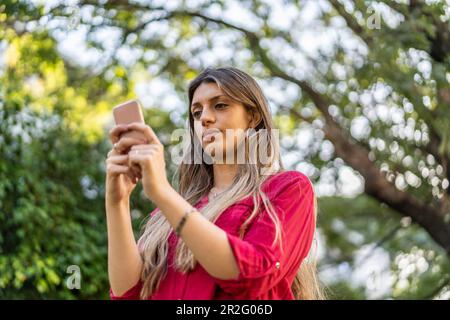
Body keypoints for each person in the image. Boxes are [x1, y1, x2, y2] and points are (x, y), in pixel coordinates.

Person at [105, 66, 324, 300]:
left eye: (220, 105)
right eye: (197, 113)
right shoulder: (172, 210)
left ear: (253, 116)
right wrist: (117, 202)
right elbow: (128, 293)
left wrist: (161, 192)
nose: (205, 119)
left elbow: (253, 276)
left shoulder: (288, 189)